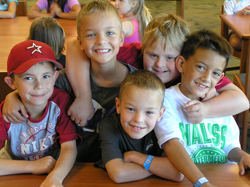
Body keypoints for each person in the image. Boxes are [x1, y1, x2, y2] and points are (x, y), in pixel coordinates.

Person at [59, 13, 249, 128]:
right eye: (152, 55)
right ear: (142, 48)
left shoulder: (193, 69)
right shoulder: (133, 54)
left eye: (170, 58)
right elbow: (75, 46)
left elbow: (241, 100)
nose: (160, 64)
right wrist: (83, 96)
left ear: (182, 60)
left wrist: (206, 109)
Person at [154, 29, 250, 187]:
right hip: (189, 179)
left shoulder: (220, 103)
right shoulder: (166, 100)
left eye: (215, 73)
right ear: (181, 64)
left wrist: (242, 156)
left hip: (223, 179)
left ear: (221, 77)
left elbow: (229, 146)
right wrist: (201, 182)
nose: (206, 78)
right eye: (200, 67)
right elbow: (171, 144)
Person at [0, 40, 79, 186]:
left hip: (52, 170)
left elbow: (69, 147)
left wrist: (56, 177)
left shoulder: (60, 102)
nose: (39, 86)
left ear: (55, 77)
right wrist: (33, 166)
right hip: (12, 173)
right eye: (28, 78)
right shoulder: (6, 112)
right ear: (11, 83)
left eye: (46, 76)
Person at [98, 69, 184, 183]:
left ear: (160, 114)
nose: (138, 119)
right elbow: (118, 174)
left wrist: (135, 157)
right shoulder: (109, 126)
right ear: (118, 105)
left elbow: (178, 172)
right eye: (131, 109)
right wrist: (159, 168)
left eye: (149, 112)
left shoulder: (161, 127)